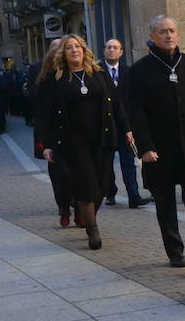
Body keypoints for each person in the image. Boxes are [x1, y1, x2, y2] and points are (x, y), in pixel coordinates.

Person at [125, 15, 185, 271]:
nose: (168, 35)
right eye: (162, 31)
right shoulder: (140, 71)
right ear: (152, 36)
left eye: (172, 31)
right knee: (166, 205)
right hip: (159, 148)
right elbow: (136, 112)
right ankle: (175, 251)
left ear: (178, 35)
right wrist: (144, 147)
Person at [39, 35, 132, 250]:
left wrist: (126, 129)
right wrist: (47, 144)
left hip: (101, 138)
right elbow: (46, 113)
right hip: (72, 141)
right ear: (64, 53)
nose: (74, 51)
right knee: (85, 183)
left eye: (77, 47)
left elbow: (116, 102)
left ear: (84, 50)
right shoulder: (57, 78)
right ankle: (92, 228)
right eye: (69, 48)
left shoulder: (98, 73)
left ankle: (86, 209)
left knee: (100, 184)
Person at [28, 41, 74, 226]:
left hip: (73, 127)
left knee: (76, 170)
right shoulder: (39, 70)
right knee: (58, 171)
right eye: (56, 48)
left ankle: (78, 204)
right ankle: (63, 206)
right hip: (50, 128)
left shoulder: (73, 68)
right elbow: (32, 96)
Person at [100, 39, 150, 209]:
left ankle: (133, 196)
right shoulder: (97, 72)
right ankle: (110, 193)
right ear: (104, 51)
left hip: (125, 126)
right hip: (105, 125)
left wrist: (132, 126)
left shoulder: (129, 72)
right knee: (106, 163)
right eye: (108, 47)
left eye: (115, 48)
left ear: (121, 52)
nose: (111, 50)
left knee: (128, 161)